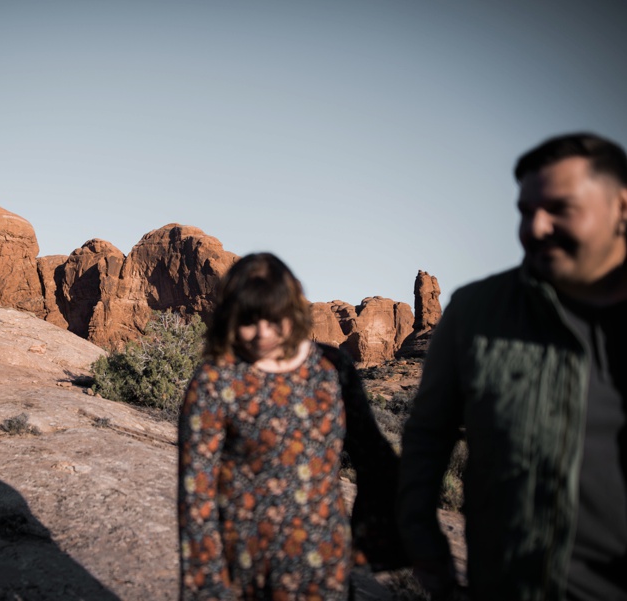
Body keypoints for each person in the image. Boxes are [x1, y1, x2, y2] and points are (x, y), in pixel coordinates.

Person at [398, 132, 627, 600]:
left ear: (621, 207)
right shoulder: (477, 312)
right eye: (525, 211)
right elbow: (427, 434)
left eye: (559, 207)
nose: (535, 227)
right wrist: (420, 537)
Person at [178, 252, 404, 600]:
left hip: (323, 562)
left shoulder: (332, 367)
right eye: (248, 321)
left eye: (273, 319)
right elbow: (196, 491)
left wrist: (368, 543)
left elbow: (372, 454)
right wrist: (205, 585)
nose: (262, 334)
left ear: (293, 312)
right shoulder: (215, 380)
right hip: (247, 566)